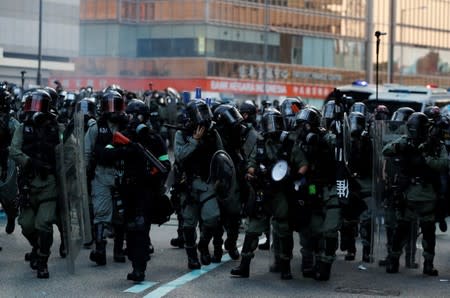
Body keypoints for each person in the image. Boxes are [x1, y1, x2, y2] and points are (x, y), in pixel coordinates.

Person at [231, 107, 294, 280]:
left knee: (283, 229)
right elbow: (251, 163)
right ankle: (244, 266)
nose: (273, 128)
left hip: (280, 193)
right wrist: (252, 171)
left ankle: (285, 266)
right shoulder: (259, 143)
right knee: (253, 229)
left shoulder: (288, 143)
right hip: (263, 191)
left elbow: (298, 164)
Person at [383, 112, 448, 276]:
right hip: (408, 195)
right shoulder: (406, 142)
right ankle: (393, 260)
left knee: (427, 231)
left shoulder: (435, 145)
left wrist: (426, 156)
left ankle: (427, 263)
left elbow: (444, 164)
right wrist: (402, 147)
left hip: (426, 195)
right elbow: (387, 150)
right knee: (401, 230)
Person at [9, 89, 65, 278]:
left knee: (44, 224)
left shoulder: (56, 128)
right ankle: (37, 247)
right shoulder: (22, 128)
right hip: (28, 183)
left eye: (38, 106)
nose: (33, 110)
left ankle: (42, 260)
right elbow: (14, 151)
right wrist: (30, 162)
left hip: (48, 184)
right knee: (26, 225)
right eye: (31, 105)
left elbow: (69, 150)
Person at [118, 99, 171, 281]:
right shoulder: (123, 136)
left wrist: (152, 174)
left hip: (146, 191)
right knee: (130, 229)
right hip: (127, 189)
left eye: (135, 116)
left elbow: (165, 164)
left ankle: (139, 267)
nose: (132, 119)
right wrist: (128, 150)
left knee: (140, 228)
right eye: (130, 115)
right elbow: (106, 154)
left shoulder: (154, 139)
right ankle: (136, 261)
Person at [174, 99, 224, 269]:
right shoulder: (181, 134)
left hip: (207, 182)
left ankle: (203, 244)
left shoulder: (213, 134)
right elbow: (180, 156)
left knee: (212, 217)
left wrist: (219, 179)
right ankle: (192, 256)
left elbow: (221, 156)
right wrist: (194, 140)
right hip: (188, 183)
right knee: (189, 222)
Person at [84, 90, 128, 266]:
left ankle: (118, 249)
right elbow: (87, 152)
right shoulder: (95, 127)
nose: (113, 110)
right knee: (101, 213)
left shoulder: (127, 127)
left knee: (120, 216)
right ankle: (100, 248)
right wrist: (85, 174)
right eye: (109, 106)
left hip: (122, 175)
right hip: (102, 174)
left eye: (116, 106)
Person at [0, 88, 20, 235]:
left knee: (8, 196)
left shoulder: (11, 121)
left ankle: (11, 215)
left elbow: (18, 141)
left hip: (7, 161)